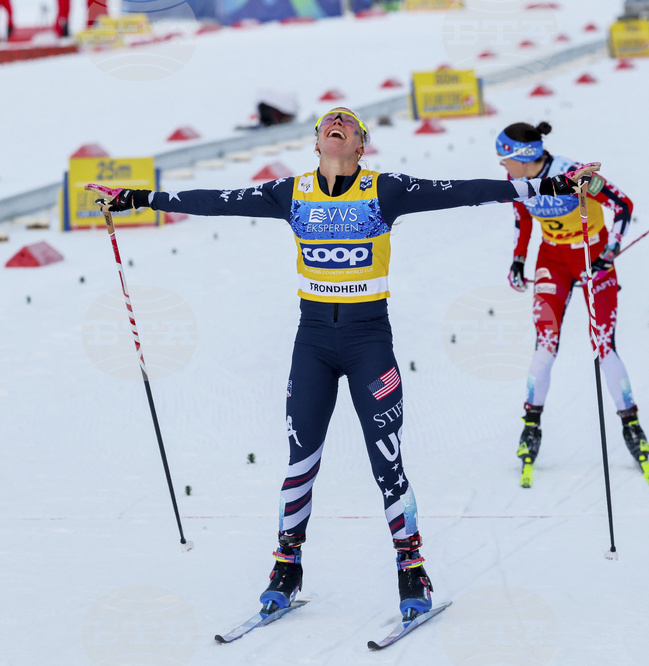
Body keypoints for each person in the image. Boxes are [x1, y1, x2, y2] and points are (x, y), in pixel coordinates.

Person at [92, 107, 596, 622]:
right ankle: (286, 566)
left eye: (348, 123)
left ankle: (411, 567)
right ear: (317, 143)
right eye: (328, 122)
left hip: (367, 340)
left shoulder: (387, 189)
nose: (337, 123)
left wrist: (555, 182)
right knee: (300, 456)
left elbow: (463, 190)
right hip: (312, 341)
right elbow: (216, 201)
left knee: (386, 458)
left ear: (361, 145)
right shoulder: (291, 194)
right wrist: (136, 198)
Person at [497, 121, 649, 488]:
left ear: (523, 157)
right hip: (551, 261)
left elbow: (623, 205)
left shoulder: (573, 174)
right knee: (546, 343)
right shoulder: (516, 182)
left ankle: (631, 425)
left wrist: (610, 250)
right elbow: (523, 216)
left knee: (603, 344)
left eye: (505, 159)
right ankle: (531, 427)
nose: (501, 166)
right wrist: (519, 259)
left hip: (592, 258)